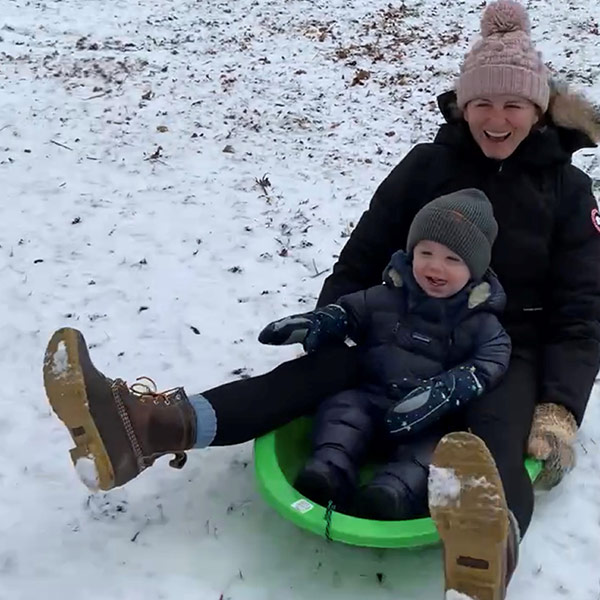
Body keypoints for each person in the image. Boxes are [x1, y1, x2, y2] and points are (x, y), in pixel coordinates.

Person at [42, 1, 600, 598]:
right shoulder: (427, 166)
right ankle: (148, 427)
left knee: (497, 430)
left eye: (513, 105)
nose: (497, 118)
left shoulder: (567, 190)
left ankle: (486, 551)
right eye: (482, 103)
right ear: (464, 107)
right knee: (309, 375)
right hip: (403, 320)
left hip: (502, 344)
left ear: (537, 112)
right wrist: (335, 320)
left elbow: (583, 307)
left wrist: (560, 406)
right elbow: (362, 255)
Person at [257, 188, 512, 521]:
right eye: (426, 253)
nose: (436, 267)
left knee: (437, 453)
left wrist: (446, 390)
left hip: (428, 418)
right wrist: (320, 322)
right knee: (342, 410)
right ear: (411, 253)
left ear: (474, 270)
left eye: (453, 259)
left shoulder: (479, 321)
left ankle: (391, 494)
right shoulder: (386, 296)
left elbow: (492, 360)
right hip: (371, 399)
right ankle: (329, 473)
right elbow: (350, 312)